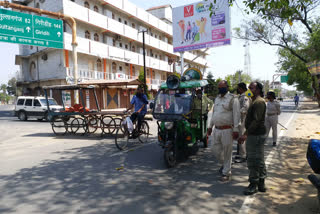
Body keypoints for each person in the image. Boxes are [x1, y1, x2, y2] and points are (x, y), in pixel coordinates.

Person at [207, 81, 240, 182]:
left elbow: (236, 114)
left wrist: (236, 129)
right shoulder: (217, 98)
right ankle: (226, 164)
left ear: (227, 87)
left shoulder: (233, 99)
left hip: (227, 129)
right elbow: (214, 114)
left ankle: (226, 173)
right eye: (219, 87)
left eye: (222, 87)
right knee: (214, 149)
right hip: (216, 129)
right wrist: (210, 126)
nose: (220, 89)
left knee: (227, 152)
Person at [239, 82, 267, 195]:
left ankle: (253, 184)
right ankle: (261, 183)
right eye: (249, 87)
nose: (249, 89)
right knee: (259, 159)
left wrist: (245, 134)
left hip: (255, 135)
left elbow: (256, 121)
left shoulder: (259, 102)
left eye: (252, 88)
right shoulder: (254, 101)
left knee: (253, 160)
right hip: (255, 134)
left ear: (258, 90)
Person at [235, 82, 251, 163]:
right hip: (241, 118)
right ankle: (241, 153)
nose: (237, 89)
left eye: (238, 88)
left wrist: (237, 112)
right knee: (239, 136)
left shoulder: (245, 96)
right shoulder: (242, 96)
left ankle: (243, 156)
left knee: (242, 136)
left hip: (243, 119)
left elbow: (245, 107)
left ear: (241, 88)